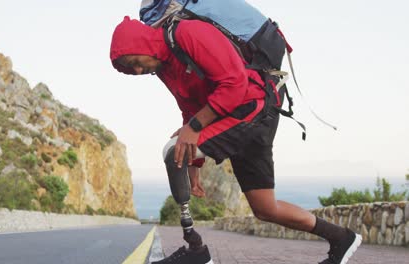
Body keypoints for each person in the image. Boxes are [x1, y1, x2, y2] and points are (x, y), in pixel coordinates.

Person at [110, 16, 362, 264]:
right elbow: (190, 108)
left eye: (135, 62)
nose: (139, 70)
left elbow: (235, 82)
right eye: (131, 71)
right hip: (246, 115)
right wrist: (194, 165)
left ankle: (195, 247)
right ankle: (341, 238)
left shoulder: (187, 33)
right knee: (265, 208)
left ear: (141, 45)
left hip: (252, 106)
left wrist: (194, 128)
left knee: (171, 151)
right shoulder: (166, 68)